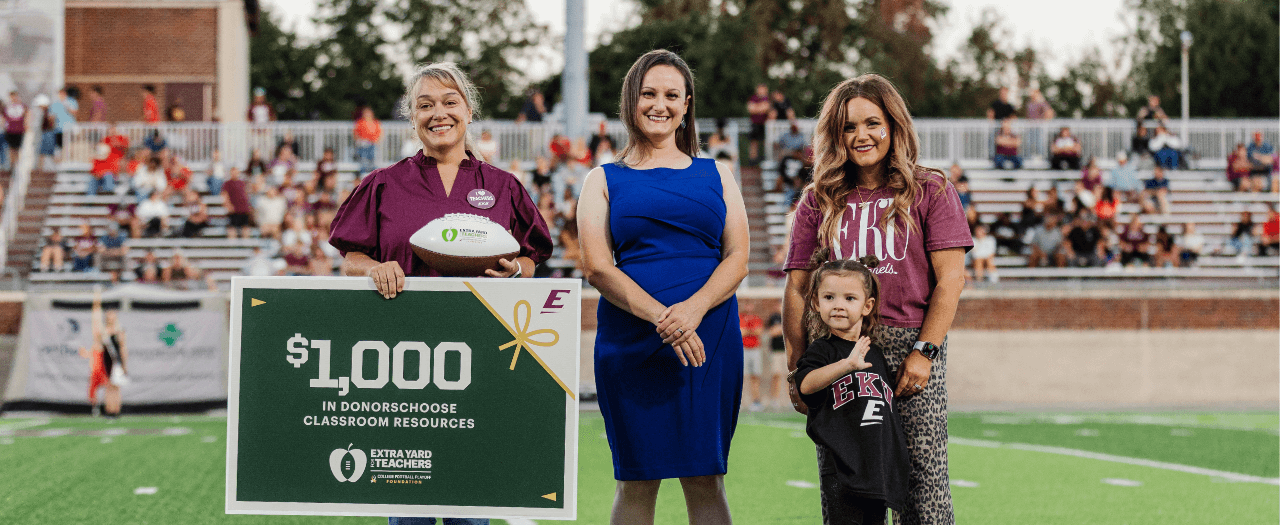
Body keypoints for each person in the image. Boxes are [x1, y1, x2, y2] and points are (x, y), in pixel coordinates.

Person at [330, 62, 552, 525]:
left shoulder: (503, 186)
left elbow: (532, 258)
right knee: (409, 510)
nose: (439, 113)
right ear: (412, 118)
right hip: (406, 366)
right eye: (425, 105)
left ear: (469, 111)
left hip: (481, 361)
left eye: (450, 102)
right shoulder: (383, 184)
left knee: (470, 508)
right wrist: (375, 267)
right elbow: (351, 257)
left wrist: (515, 271)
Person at [782, 74, 971, 524]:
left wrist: (925, 352)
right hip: (836, 349)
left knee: (923, 484)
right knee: (846, 484)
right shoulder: (818, 199)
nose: (860, 135)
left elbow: (951, 280)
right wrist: (797, 366)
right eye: (848, 127)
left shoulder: (931, 189)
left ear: (893, 125)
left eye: (872, 123)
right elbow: (797, 288)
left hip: (909, 348)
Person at [578, 50, 748, 525]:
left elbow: (738, 258)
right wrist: (663, 318)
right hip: (632, 339)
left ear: (687, 104)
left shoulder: (718, 172)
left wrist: (693, 310)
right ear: (630, 101)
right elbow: (597, 267)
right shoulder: (601, 179)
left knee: (705, 476)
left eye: (672, 95)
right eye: (649, 93)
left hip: (708, 336)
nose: (660, 104)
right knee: (636, 478)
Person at [792, 251, 909, 523]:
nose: (838, 306)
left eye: (849, 298)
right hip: (841, 467)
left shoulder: (875, 353)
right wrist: (846, 365)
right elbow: (806, 384)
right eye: (829, 297)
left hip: (875, 466)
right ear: (816, 302)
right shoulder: (822, 349)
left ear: (867, 306)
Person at [78, 287, 127, 418]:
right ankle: (109, 410)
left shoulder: (119, 330)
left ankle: (116, 410)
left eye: (112, 313)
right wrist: (97, 299)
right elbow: (96, 319)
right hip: (106, 361)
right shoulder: (103, 330)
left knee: (116, 387)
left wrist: (124, 364)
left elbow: (122, 348)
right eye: (109, 314)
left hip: (116, 361)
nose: (110, 316)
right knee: (108, 387)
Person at [740, 301, 765, 411]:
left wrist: (747, 331)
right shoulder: (740, 317)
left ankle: (756, 401)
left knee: (755, 376)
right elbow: (740, 332)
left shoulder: (756, 318)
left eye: (750, 304)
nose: (748, 306)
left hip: (755, 349)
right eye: (747, 304)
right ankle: (741, 402)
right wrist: (751, 330)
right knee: (742, 376)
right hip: (744, 349)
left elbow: (759, 332)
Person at [221, 167, 253, 239]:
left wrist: (249, 206)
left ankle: (246, 243)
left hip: (244, 209)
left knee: (245, 228)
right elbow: (224, 195)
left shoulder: (242, 183)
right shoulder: (227, 183)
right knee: (232, 228)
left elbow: (246, 194)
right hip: (234, 209)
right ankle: (232, 244)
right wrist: (228, 205)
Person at [355, 107, 383, 175]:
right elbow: (356, 134)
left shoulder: (375, 122)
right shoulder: (360, 123)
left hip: (373, 143)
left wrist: (375, 141)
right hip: (363, 143)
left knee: (373, 154)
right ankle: (364, 171)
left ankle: (373, 171)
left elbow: (379, 134)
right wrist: (361, 140)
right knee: (364, 155)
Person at [747, 83, 771, 162]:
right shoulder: (753, 98)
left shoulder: (768, 99)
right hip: (755, 124)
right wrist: (761, 108)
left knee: (766, 142)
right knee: (753, 142)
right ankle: (753, 160)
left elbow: (766, 108)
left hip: (765, 124)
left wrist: (757, 108)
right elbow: (751, 109)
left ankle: (766, 159)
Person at [4, 91, 26, 167]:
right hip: (10, 130)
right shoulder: (7, 107)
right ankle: (12, 165)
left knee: (17, 149)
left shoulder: (22, 106)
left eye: (15, 96)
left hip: (19, 130)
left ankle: (17, 165)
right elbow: (4, 118)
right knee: (11, 149)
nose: (14, 98)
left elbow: (26, 116)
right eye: (12, 96)